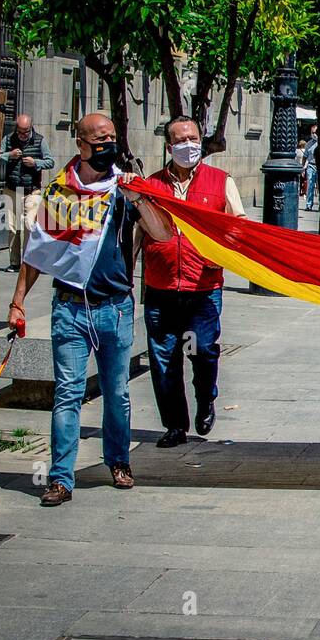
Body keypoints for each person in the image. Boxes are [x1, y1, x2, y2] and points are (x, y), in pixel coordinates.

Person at [7, 112, 174, 507]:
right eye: (100, 138)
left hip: (114, 309)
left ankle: (118, 461)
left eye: (112, 137)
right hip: (70, 309)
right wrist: (17, 302)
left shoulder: (122, 190)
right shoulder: (62, 192)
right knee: (68, 394)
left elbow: (162, 232)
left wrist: (140, 200)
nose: (108, 145)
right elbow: (38, 254)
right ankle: (61, 478)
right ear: (80, 144)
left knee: (117, 393)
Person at [140, 116, 246, 449]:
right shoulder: (151, 187)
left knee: (203, 350)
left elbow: (238, 227)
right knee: (163, 358)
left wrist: (225, 254)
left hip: (204, 287)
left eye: (193, 138)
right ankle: (174, 425)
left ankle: (206, 398)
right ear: (169, 147)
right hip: (161, 287)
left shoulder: (220, 181)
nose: (189, 145)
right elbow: (136, 233)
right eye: (181, 140)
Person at [0, 114, 55, 272]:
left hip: (32, 190)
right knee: (12, 227)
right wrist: (9, 155)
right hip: (12, 188)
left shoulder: (40, 140)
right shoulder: (9, 139)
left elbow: (50, 161)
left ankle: (28, 261)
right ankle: (14, 262)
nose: (23, 136)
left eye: (26, 132)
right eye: (20, 132)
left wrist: (35, 163)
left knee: (29, 224)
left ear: (31, 128)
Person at [303, 123, 318, 210]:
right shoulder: (308, 144)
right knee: (310, 185)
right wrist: (302, 167)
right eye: (312, 133)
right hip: (311, 165)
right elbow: (305, 156)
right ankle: (309, 205)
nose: (314, 134)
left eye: (315, 132)